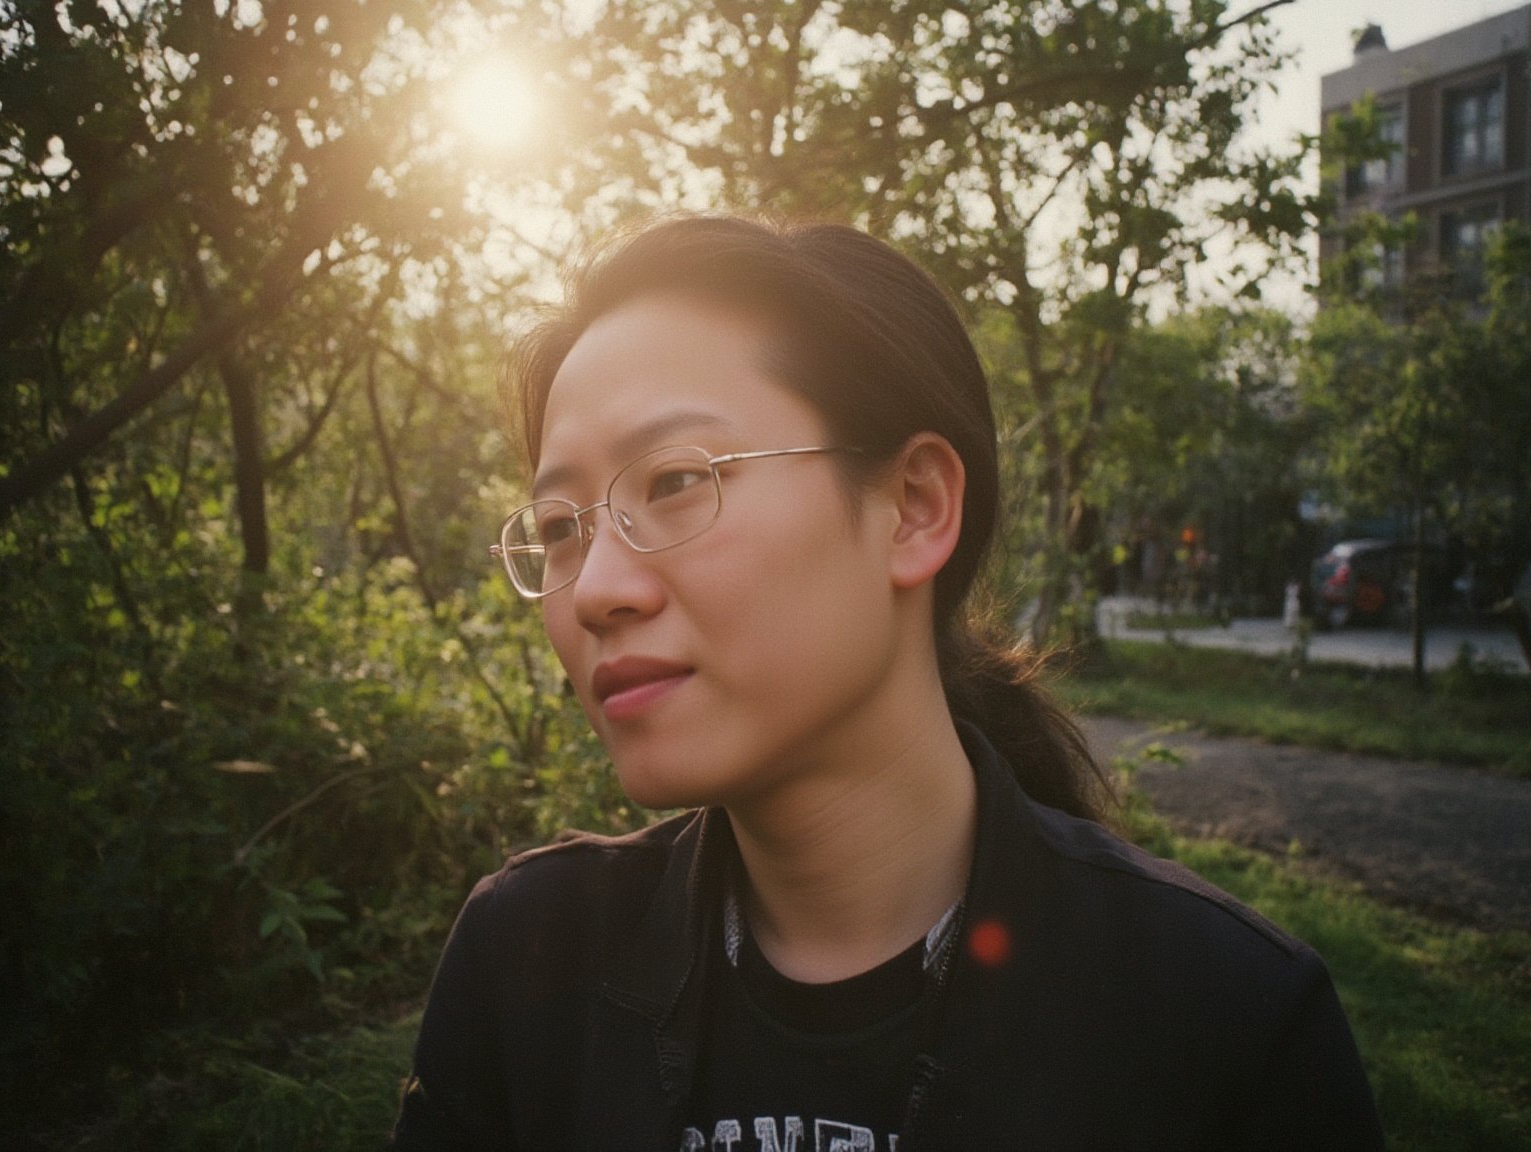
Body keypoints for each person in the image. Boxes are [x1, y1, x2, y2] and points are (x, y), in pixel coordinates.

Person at [391, 216, 1383, 1150]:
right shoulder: (524, 966)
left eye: (675, 481)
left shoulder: (1225, 1023)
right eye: (562, 526)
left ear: (913, 508)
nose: (596, 589)